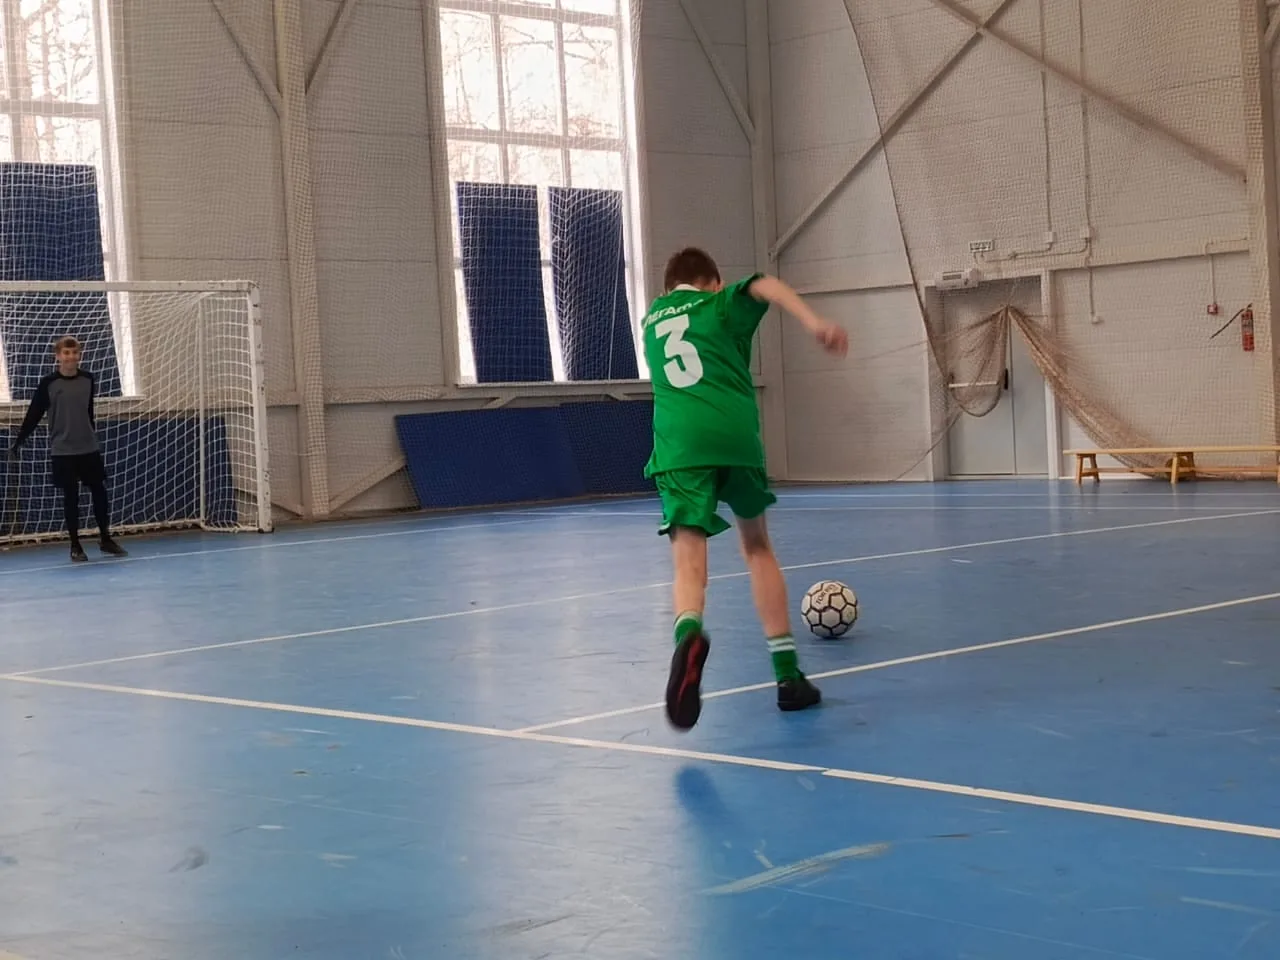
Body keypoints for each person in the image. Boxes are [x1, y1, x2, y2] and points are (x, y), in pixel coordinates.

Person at [642, 247, 849, 730]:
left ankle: (688, 633)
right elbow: (763, 284)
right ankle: (787, 676)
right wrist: (814, 322)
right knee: (756, 547)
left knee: (688, 558)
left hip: (679, 446)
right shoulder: (720, 304)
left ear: (669, 287)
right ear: (714, 281)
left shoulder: (651, 320)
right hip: (733, 437)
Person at [8, 335, 127, 562]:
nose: (71, 357)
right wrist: (19, 440)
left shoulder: (88, 379)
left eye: (74, 352)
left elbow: (88, 411)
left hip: (88, 447)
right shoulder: (49, 383)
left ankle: (105, 538)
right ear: (58, 356)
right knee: (71, 497)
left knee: (99, 492)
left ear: (79, 355)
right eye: (66, 353)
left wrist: (90, 435)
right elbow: (34, 414)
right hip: (63, 449)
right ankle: (75, 545)